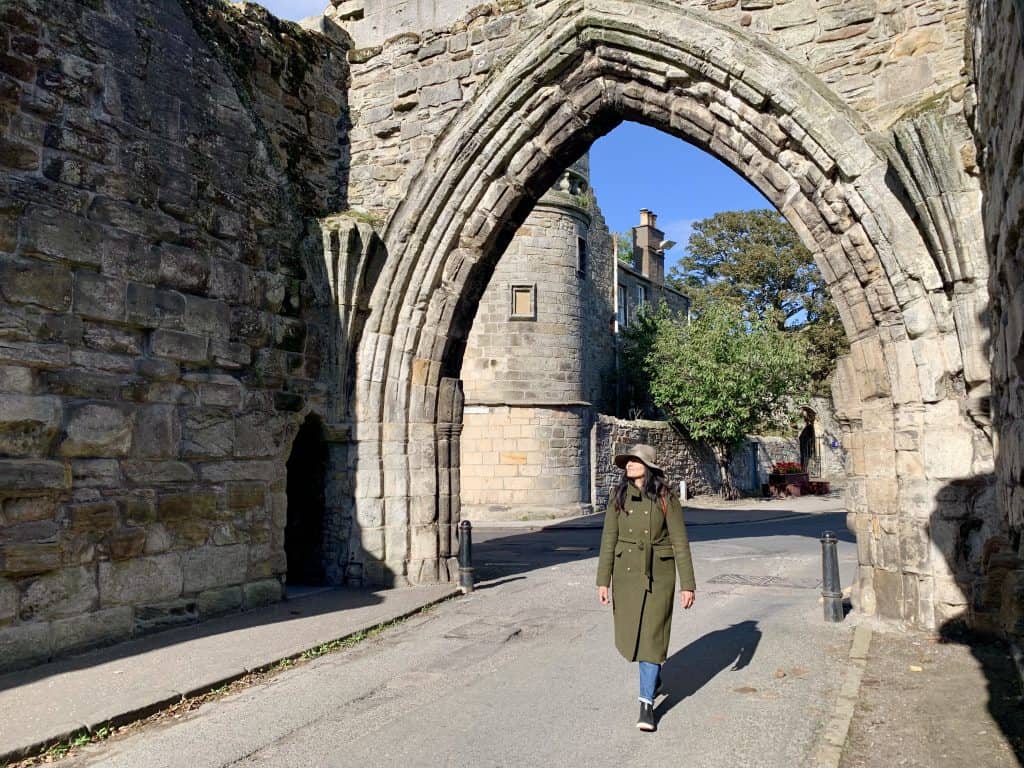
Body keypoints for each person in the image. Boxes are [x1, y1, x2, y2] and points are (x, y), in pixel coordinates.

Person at [596, 443, 696, 732]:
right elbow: (608, 540)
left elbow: (680, 542)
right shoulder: (618, 497)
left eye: (635, 461)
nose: (629, 464)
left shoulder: (666, 498)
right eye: (627, 461)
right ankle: (654, 676)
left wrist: (687, 584)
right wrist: (603, 580)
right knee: (633, 638)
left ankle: (646, 705)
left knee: (652, 636)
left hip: (659, 575)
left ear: (649, 467)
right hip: (626, 576)